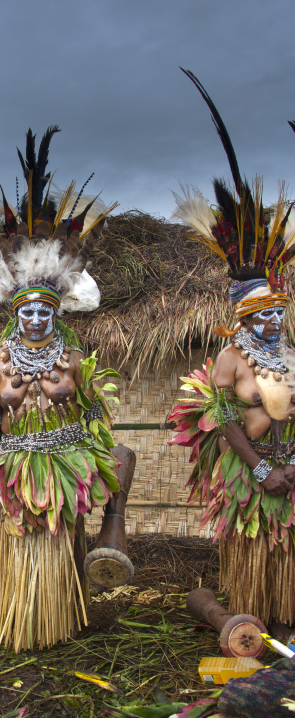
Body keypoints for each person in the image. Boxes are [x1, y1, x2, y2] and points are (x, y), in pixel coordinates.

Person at [0, 127, 131, 651]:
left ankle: (64, 617)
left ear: (56, 312)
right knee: (20, 538)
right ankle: (22, 619)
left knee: (62, 535)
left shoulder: (72, 358)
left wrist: (92, 454)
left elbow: (93, 411)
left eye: (47, 308)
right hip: (15, 465)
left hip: (63, 460)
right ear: (16, 311)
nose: (39, 316)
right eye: (29, 309)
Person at [169, 70, 295, 626]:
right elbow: (221, 416)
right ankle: (249, 619)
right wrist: (261, 467)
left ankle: (286, 613)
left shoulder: (291, 352)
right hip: (255, 468)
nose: (270, 322)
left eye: (277, 313)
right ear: (243, 319)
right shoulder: (232, 359)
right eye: (260, 314)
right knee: (255, 549)